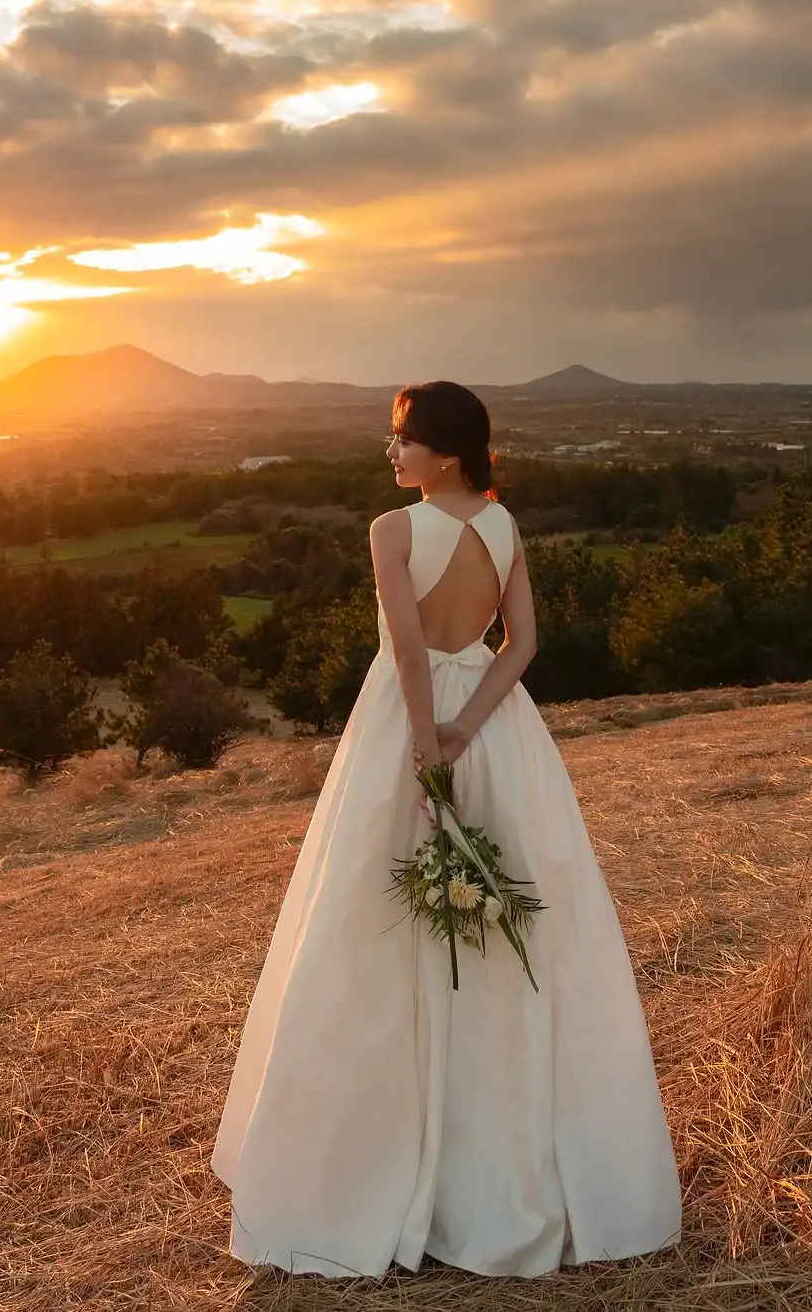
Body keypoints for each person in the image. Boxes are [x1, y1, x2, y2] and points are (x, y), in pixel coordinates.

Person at [211, 381, 682, 1278]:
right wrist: (475, 728)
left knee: (371, 927)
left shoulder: (395, 531)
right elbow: (522, 645)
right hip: (503, 733)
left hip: (409, 724)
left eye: (404, 437)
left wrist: (429, 755)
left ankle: (371, 1167)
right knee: (511, 928)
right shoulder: (503, 528)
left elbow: (404, 653)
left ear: (449, 451)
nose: (392, 452)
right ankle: (502, 1164)